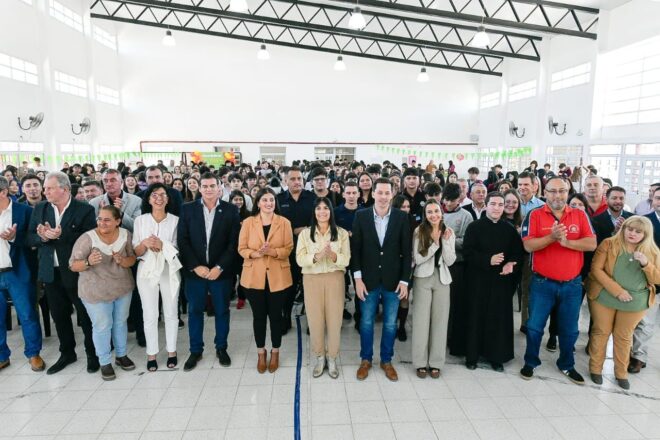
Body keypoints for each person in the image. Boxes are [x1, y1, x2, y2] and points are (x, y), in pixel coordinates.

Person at [520, 177, 597, 385]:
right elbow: (528, 246)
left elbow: (591, 243)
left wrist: (566, 242)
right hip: (542, 284)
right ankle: (530, 362)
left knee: (570, 329)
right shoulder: (534, 215)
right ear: (545, 192)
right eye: (552, 191)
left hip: (572, 285)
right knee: (534, 326)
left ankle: (566, 364)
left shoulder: (579, 215)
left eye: (562, 191)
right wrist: (551, 238)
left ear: (568, 192)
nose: (557, 195)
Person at [27, 172, 99, 375]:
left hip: (76, 271)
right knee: (59, 315)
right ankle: (67, 353)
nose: (45, 192)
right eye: (45, 188)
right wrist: (42, 237)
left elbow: (90, 238)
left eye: (49, 188)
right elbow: (29, 237)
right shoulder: (41, 208)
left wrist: (61, 235)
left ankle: (92, 354)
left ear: (65, 189)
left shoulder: (84, 209)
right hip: (51, 272)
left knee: (85, 316)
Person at [588, 216, 660, 389]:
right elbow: (596, 269)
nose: (632, 233)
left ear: (646, 234)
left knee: (624, 336)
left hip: (635, 302)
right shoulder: (608, 244)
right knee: (601, 332)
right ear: (624, 228)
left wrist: (645, 264)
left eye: (638, 231)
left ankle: (621, 373)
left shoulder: (653, 252)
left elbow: (657, 279)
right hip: (604, 296)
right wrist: (618, 291)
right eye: (630, 229)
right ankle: (595, 369)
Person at [177, 172, 240, 371]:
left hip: (220, 272)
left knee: (222, 310)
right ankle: (195, 350)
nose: (209, 189)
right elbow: (183, 240)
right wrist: (196, 266)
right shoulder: (187, 209)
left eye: (212, 186)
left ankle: (221, 348)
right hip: (195, 272)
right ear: (199, 188)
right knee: (195, 311)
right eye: (204, 186)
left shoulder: (230, 210)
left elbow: (233, 243)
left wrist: (219, 267)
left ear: (219, 188)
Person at [352, 177, 412, 382]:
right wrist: (357, 280)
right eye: (380, 192)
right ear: (373, 193)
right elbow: (356, 251)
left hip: (393, 281)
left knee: (390, 324)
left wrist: (404, 281)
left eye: (388, 193)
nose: (384, 196)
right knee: (366, 322)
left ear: (392, 194)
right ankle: (366, 360)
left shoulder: (401, 218)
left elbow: (406, 252)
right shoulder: (361, 216)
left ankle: (386, 360)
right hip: (367, 280)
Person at [69, 205, 137, 380]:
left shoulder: (126, 235)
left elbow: (132, 259)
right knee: (102, 326)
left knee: (120, 322)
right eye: (99, 219)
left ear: (118, 221)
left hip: (122, 288)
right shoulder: (87, 238)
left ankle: (121, 355)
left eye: (107, 220)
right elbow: (73, 265)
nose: (102, 223)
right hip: (95, 291)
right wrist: (88, 262)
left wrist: (122, 260)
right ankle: (104, 362)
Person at [464, 192, 524, 371]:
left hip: (500, 282)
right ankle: (472, 356)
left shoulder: (509, 230)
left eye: (500, 205)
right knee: (476, 317)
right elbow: (467, 252)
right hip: (478, 281)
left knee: (498, 319)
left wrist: (511, 264)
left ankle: (496, 357)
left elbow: (517, 253)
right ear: (486, 205)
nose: (497, 208)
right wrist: (487, 260)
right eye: (493, 204)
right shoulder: (474, 227)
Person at [238, 188, 293, 373]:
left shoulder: (284, 222)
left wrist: (273, 252)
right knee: (259, 317)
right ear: (258, 203)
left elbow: (288, 248)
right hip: (254, 277)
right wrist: (255, 253)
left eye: (271, 200)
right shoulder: (248, 222)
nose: (269, 203)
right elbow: (241, 248)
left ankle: (275, 352)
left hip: (278, 277)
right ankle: (261, 353)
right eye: (265, 200)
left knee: (276, 317)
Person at [296, 197, 350, 378]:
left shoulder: (341, 233)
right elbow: (299, 259)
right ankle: (320, 357)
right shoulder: (305, 234)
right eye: (318, 208)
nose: (322, 212)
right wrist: (316, 256)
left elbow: (346, 259)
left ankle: (332, 358)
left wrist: (333, 256)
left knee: (334, 320)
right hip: (312, 279)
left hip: (335, 279)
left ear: (331, 211)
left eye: (326, 208)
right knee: (315, 320)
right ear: (314, 212)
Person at [133, 183, 181, 371]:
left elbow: (178, 248)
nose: (159, 198)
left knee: (171, 312)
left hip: (169, 269)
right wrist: (145, 243)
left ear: (168, 199)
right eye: (154, 195)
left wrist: (163, 245)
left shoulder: (175, 220)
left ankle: (172, 351)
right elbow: (136, 251)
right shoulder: (140, 220)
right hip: (146, 270)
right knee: (150, 313)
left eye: (163, 195)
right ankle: (151, 353)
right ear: (148, 199)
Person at [0, 177, 45, 372]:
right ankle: (2, 356)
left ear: (3, 192)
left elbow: (33, 239)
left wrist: (14, 237)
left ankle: (33, 353)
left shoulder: (24, 211)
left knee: (27, 314)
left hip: (18, 271)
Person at [411, 200, 455, 379]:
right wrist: (435, 243)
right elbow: (418, 258)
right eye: (429, 212)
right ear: (425, 215)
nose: (433, 215)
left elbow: (450, 260)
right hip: (423, 278)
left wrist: (444, 242)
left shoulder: (448, 232)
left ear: (441, 212)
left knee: (440, 322)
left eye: (436, 211)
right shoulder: (419, 231)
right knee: (421, 322)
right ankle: (420, 363)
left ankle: (436, 363)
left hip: (442, 278)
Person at [277, 167, 315, 334]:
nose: (297, 182)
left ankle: (312, 320)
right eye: (292, 179)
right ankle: (285, 318)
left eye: (299, 178)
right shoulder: (279, 199)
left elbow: (319, 220)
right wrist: (292, 230)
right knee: (289, 287)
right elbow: (276, 223)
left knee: (309, 287)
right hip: (288, 250)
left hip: (309, 249)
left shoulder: (312, 198)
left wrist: (305, 230)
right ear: (286, 181)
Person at [629, 186, 660, 373]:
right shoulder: (644, 222)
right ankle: (638, 356)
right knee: (645, 322)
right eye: (658, 198)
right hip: (649, 279)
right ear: (652, 200)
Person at [441, 183, 473, 357]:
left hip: (456, 265)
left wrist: (447, 239)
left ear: (459, 199)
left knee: (453, 304)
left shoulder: (466, 216)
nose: (448, 203)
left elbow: (467, 241)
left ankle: (451, 337)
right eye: (445, 199)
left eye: (451, 200)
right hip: (438, 264)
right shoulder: (438, 212)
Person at [334, 182, 362, 326]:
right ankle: (340, 311)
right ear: (343, 194)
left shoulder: (365, 212)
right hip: (340, 256)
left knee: (360, 286)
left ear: (359, 194)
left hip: (360, 256)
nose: (351, 196)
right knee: (340, 287)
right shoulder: (336, 212)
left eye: (354, 193)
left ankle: (359, 314)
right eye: (348, 193)